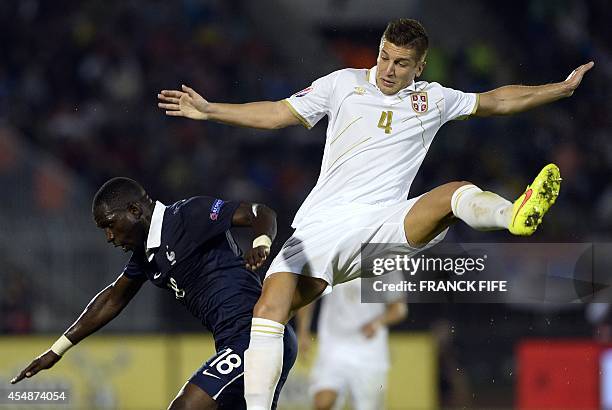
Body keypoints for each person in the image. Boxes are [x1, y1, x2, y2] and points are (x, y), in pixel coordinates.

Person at [157, 18, 593, 409]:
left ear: (419, 67)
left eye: (401, 64)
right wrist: (211, 110)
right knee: (269, 311)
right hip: (322, 227)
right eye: (384, 56)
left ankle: (513, 215)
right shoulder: (342, 83)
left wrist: (558, 89)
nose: (388, 69)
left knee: (453, 193)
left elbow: (495, 101)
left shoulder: (434, 100)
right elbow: (277, 114)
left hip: (383, 225)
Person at [10, 177, 297, 410]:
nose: (109, 237)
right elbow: (112, 299)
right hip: (236, 343)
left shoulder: (187, 214)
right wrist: (56, 350)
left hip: (256, 336)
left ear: (135, 211)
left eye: (110, 225)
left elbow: (260, 212)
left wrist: (261, 241)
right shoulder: (146, 256)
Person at [297, 279, 407, 410]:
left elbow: (399, 308)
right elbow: (310, 292)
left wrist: (377, 322)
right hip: (334, 344)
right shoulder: (331, 259)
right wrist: (303, 332)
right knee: (322, 403)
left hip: (369, 348)